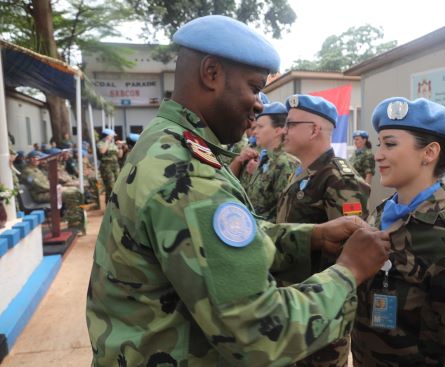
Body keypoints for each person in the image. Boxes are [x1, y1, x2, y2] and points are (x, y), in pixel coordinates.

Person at [86, 15, 391, 367]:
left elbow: (229, 237)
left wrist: (312, 237)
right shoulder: (189, 176)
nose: (260, 104)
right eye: (254, 86)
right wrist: (350, 270)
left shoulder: (168, 142)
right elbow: (259, 333)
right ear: (211, 73)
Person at [351, 97, 445, 367]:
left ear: (429, 153)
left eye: (390, 144)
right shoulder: (380, 214)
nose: (378, 154)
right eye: (379, 144)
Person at [276, 94, 371, 367]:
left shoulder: (339, 179)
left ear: (314, 129)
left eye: (291, 124)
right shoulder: (302, 172)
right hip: (291, 304)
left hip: (319, 314)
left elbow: (348, 253)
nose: (284, 130)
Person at [239, 101, 299, 222]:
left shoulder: (285, 163)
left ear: (278, 131)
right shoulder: (267, 158)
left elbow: (285, 213)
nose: (255, 131)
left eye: (260, 127)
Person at [20, 151, 84, 229]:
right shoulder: (28, 172)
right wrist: (56, 189)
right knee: (69, 193)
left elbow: (46, 182)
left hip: (46, 192)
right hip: (39, 195)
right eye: (33, 158)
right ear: (28, 160)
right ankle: (73, 221)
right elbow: (39, 186)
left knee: (74, 190)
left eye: (37, 157)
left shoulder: (36, 169)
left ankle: (77, 216)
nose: (36, 159)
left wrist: (57, 188)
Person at [97, 128, 122, 203]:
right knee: (110, 186)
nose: (113, 138)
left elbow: (120, 155)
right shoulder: (101, 143)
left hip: (115, 165)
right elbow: (102, 151)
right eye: (112, 136)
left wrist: (120, 147)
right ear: (107, 136)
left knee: (117, 185)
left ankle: (114, 205)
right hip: (106, 166)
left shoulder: (112, 144)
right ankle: (110, 205)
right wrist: (107, 141)